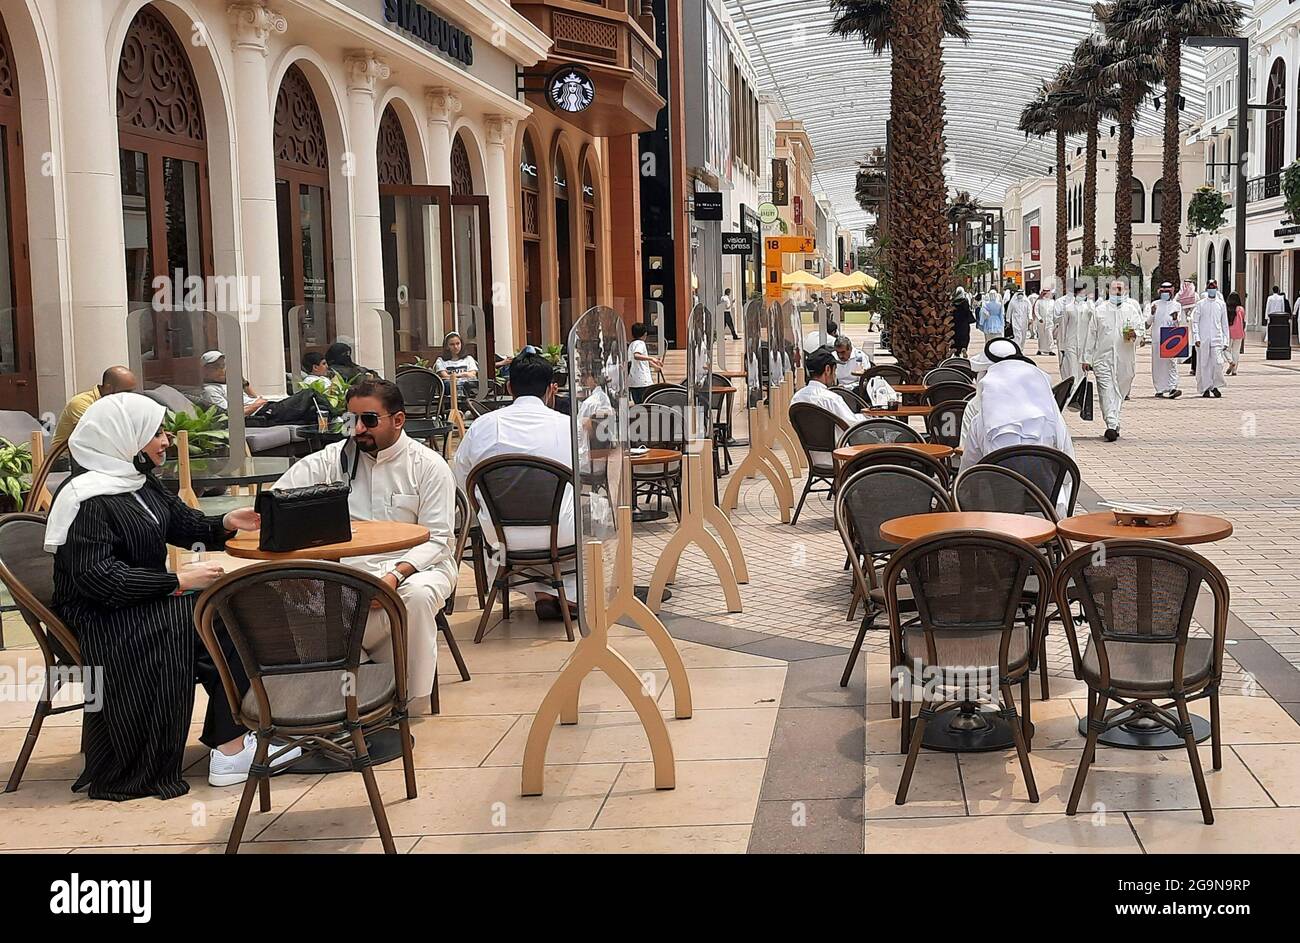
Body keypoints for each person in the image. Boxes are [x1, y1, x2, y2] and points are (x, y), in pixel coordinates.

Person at [46, 393, 299, 799]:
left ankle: (238, 738)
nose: (165, 440)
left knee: (234, 612)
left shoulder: (136, 482)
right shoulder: (86, 499)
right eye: (156, 433)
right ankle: (232, 749)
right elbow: (100, 580)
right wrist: (176, 582)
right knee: (215, 622)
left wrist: (227, 522)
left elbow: (183, 524)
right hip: (103, 615)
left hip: (140, 602)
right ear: (125, 438)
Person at [272, 378, 456, 704]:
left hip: (417, 568)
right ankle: (343, 684)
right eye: (351, 419)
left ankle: (405, 698)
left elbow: (439, 539)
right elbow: (278, 501)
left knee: (417, 595)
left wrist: (393, 576)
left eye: (368, 420)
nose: (357, 429)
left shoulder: (428, 466)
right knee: (285, 587)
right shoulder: (332, 460)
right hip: (348, 572)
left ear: (398, 420)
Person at [451, 351, 577, 620]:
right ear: (551, 389)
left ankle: (542, 593)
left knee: (509, 526)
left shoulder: (481, 427)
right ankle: (568, 594)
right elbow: (590, 479)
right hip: (561, 535)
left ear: (509, 387)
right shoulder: (569, 427)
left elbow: (461, 482)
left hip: (501, 539)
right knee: (594, 512)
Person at [958, 340, 1075, 517]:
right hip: (1047, 514)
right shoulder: (1053, 419)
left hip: (995, 516)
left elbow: (968, 475)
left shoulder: (980, 421)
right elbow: (1068, 473)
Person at [1083, 279, 1141, 441]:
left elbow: (1140, 329)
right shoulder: (1099, 311)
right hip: (1103, 358)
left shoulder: (1131, 310)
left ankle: (1114, 420)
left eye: (1120, 289)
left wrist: (1134, 335)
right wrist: (1087, 358)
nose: (1117, 291)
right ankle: (1111, 424)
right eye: (1115, 288)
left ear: (1126, 290)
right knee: (1106, 391)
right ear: (1109, 291)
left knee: (1119, 391)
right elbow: (1091, 335)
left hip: (1125, 359)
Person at [50, 366, 137, 453]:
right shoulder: (81, 403)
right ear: (108, 388)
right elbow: (96, 435)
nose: (129, 396)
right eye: (126, 392)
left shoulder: (118, 404)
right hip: (65, 459)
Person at [790, 347, 863, 427]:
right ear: (827, 369)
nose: (835, 375)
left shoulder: (797, 398)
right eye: (834, 370)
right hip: (838, 439)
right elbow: (853, 424)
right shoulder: (831, 399)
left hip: (805, 439)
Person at [200, 351, 267, 417]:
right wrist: (257, 404)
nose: (221, 370)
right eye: (216, 366)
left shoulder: (228, 383)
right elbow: (231, 415)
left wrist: (242, 381)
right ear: (205, 370)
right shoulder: (210, 390)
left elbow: (253, 397)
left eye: (223, 365)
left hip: (264, 407)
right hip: (259, 412)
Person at [1193, 279, 1230, 397]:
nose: (1212, 289)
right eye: (1210, 287)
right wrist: (1196, 337)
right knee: (1204, 364)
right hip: (1203, 339)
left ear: (1217, 288)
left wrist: (1226, 340)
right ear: (1206, 288)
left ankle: (1215, 385)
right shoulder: (1200, 304)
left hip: (1217, 338)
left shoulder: (1221, 304)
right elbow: (1195, 322)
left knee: (1218, 363)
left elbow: (1224, 324)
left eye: (1213, 287)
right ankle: (1206, 387)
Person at [1146, 281, 1184, 399]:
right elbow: (1147, 324)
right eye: (1163, 292)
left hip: (1171, 337)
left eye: (1167, 292)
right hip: (1157, 338)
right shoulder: (1154, 304)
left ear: (1172, 292)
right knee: (1158, 365)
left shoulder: (1177, 305)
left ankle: (1173, 387)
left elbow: (1180, 323)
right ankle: (1160, 389)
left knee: (1172, 363)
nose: (1165, 294)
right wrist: (1152, 314)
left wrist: (1175, 319)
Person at [1054, 283, 1088, 393]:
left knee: (1081, 370)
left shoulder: (1088, 308)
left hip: (1083, 343)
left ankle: (1080, 392)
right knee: (1072, 368)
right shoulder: (1068, 309)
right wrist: (1062, 346)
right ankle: (1073, 392)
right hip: (1070, 343)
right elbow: (1063, 328)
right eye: (1081, 292)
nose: (1083, 295)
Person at [434, 331, 479, 401]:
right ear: (446, 346)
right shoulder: (441, 360)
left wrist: (453, 376)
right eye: (452, 344)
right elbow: (444, 376)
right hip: (449, 392)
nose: (455, 347)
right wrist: (464, 374)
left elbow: (472, 374)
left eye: (458, 343)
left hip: (468, 391)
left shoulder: (468, 359)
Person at [628, 322, 662, 404]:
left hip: (633, 381)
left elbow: (641, 361)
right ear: (645, 334)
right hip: (642, 381)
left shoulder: (631, 344)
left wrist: (654, 365)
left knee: (638, 404)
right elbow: (637, 355)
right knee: (646, 404)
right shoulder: (640, 343)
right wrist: (652, 358)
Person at [1226, 290, 1246, 376]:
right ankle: (1234, 370)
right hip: (1239, 333)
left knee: (1226, 350)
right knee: (1236, 351)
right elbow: (1243, 321)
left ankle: (1230, 361)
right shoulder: (1241, 309)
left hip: (1228, 332)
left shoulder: (1226, 309)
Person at [951, 288, 976, 356]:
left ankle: (956, 351)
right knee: (965, 336)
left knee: (956, 336)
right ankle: (964, 347)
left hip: (955, 323)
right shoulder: (965, 301)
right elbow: (967, 311)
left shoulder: (953, 302)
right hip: (964, 323)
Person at [1033, 287, 1056, 356]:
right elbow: (1036, 310)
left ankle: (1050, 350)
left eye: (1048, 292)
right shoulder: (1039, 301)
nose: (1046, 294)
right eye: (1045, 292)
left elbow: (1055, 312)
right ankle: (1040, 349)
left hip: (1049, 322)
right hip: (1041, 322)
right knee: (1041, 336)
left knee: (1049, 335)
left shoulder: (1052, 302)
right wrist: (1039, 318)